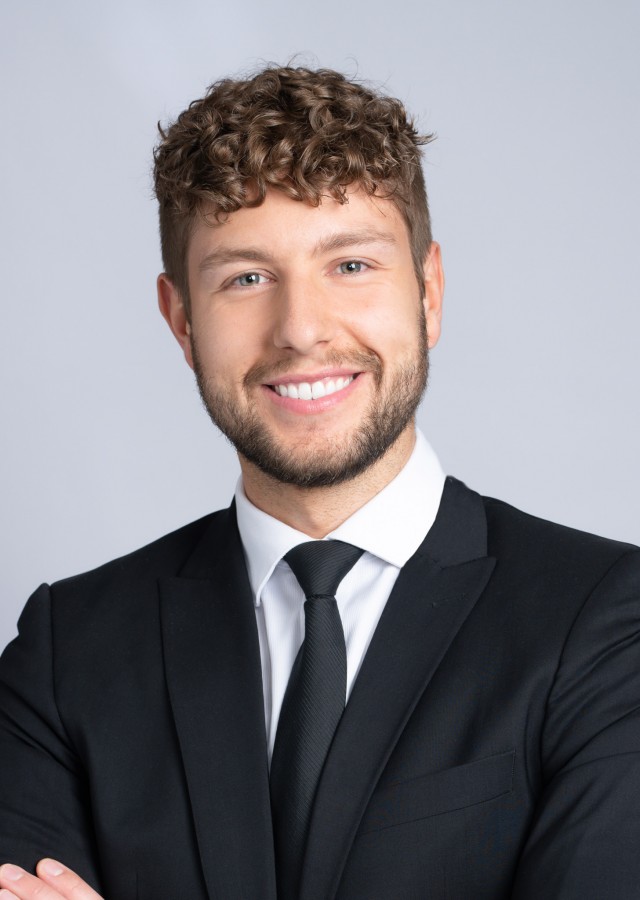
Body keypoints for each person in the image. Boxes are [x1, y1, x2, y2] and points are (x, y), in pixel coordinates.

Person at [1, 64, 639, 900]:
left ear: (429, 292)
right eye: (246, 278)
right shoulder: (68, 652)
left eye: (351, 265)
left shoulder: (607, 620)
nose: (301, 330)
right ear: (182, 320)